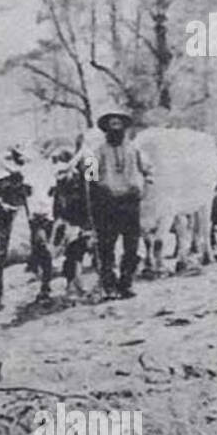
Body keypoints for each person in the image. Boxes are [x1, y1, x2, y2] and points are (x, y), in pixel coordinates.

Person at [91, 111, 152, 299]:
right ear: (106, 130)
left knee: (131, 245)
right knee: (106, 246)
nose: (115, 128)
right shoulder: (98, 151)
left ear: (124, 128)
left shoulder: (135, 150)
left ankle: (126, 284)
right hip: (107, 203)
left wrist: (143, 189)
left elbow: (150, 171)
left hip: (130, 202)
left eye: (119, 125)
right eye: (112, 125)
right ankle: (109, 285)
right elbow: (89, 178)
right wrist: (98, 190)